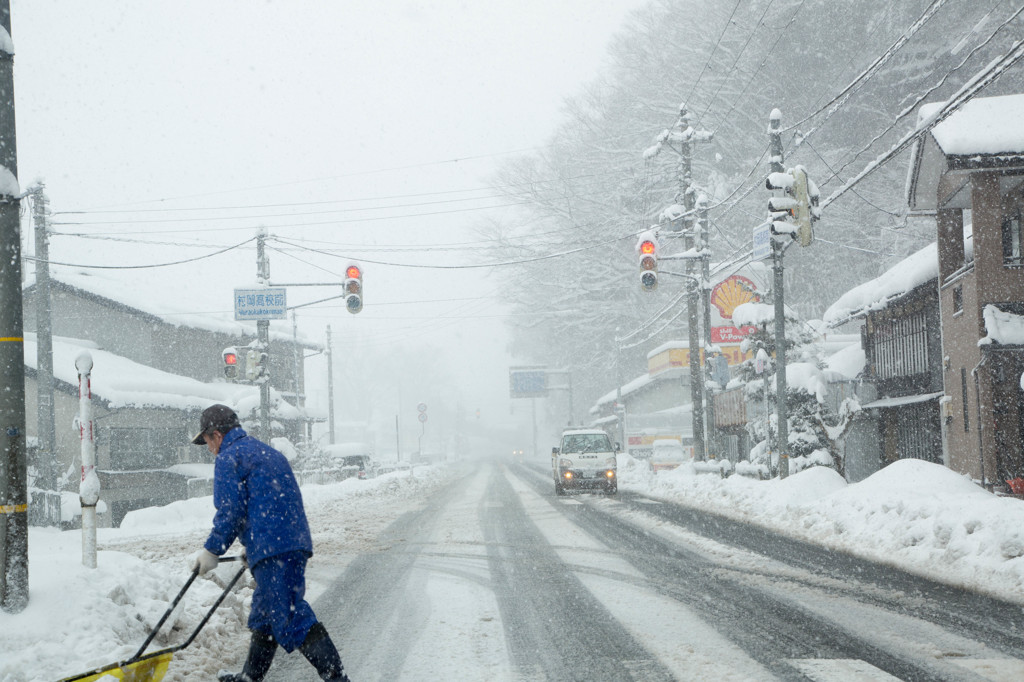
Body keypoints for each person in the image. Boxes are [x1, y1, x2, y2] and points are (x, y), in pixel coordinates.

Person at [191, 404, 350, 682]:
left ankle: (338, 679)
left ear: (216, 435)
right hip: (291, 542)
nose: (208, 448)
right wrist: (255, 547)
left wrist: (212, 551)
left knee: (289, 615)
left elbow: (231, 511)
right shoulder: (268, 453)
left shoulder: (229, 457)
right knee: (265, 617)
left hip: (273, 547)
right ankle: (250, 678)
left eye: (206, 441)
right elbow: (273, 501)